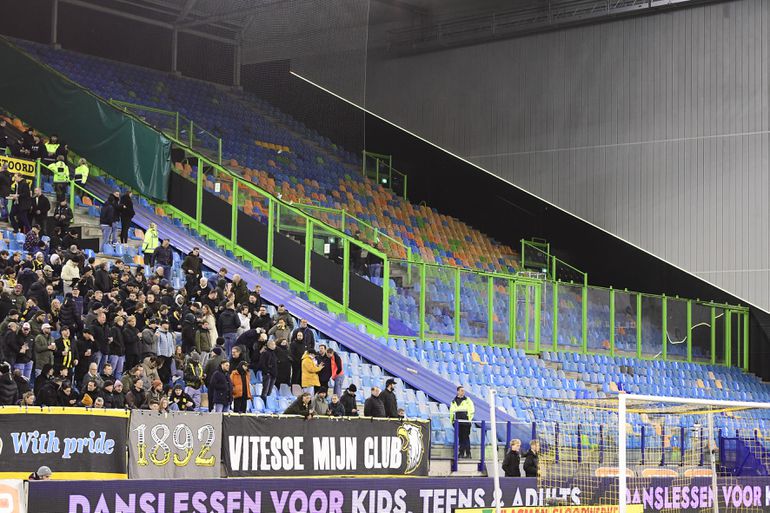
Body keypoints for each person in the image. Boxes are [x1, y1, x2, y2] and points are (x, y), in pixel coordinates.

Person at [450, 385, 475, 459]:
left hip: (466, 421)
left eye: (464, 391)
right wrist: (452, 421)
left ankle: (468, 453)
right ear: (458, 391)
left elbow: (471, 410)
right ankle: (461, 453)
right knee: (460, 438)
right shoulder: (454, 401)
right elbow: (452, 412)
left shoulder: (468, 400)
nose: (463, 392)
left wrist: (469, 419)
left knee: (466, 437)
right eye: (461, 390)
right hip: (457, 422)